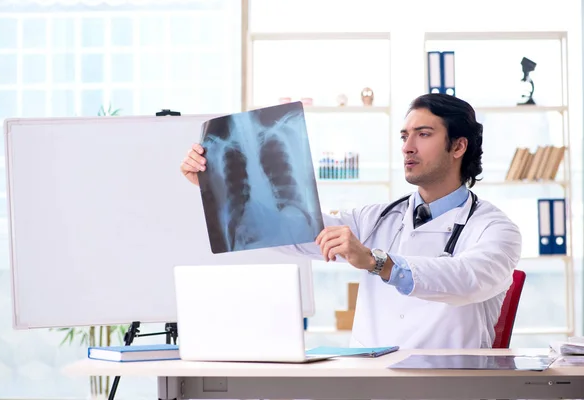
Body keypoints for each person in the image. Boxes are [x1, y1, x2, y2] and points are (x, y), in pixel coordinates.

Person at [180, 93, 522, 349]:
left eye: (424, 134)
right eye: (404, 136)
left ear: (458, 146)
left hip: (450, 388)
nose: (407, 147)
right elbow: (293, 232)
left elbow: (469, 279)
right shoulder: (376, 218)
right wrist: (215, 187)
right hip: (369, 385)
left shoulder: (495, 229)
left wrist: (377, 262)